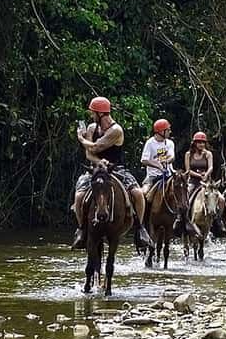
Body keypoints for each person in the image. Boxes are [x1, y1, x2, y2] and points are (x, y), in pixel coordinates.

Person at [72, 96, 153, 249]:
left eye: (93, 113)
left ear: (100, 114)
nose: (91, 115)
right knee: (79, 196)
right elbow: (89, 154)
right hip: (96, 169)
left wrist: (81, 139)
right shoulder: (91, 128)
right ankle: (82, 228)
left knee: (137, 193)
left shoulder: (116, 130)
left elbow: (95, 147)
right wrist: (98, 162)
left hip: (116, 168)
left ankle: (140, 228)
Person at [140, 118, 178, 229]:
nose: (170, 132)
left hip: (169, 175)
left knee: (182, 193)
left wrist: (167, 161)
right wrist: (157, 165)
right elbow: (144, 160)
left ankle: (182, 221)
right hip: (153, 177)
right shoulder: (150, 143)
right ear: (161, 131)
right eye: (168, 130)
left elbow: (172, 156)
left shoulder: (170, 143)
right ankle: (142, 223)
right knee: (144, 195)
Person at [184, 131, 215, 196]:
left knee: (220, 198)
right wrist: (199, 176)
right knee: (187, 195)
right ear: (195, 143)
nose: (202, 144)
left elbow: (211, 167)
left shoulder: (208, 154)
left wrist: (206, 174)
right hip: (193, 181)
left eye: (203, 142)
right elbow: (188, 170)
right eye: (199, 142)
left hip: (206, 181)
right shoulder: (188, 154)